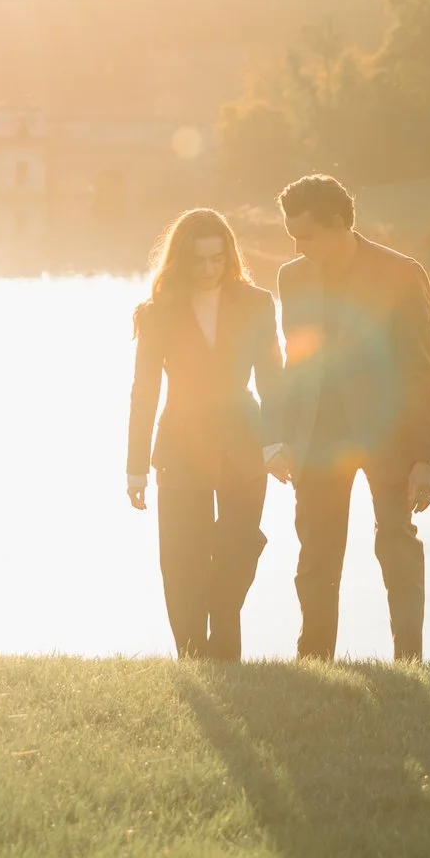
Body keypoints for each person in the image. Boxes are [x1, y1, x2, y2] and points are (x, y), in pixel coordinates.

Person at [268, 174, 430, 662]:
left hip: (391, 438)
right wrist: (280, 436)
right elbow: (294, 359)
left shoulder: (402, 273)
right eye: (292, 236)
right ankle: (315, 660)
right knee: (317, 554)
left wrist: (427, 456)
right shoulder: (293, 276)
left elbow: (420, 368)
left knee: (395, 547)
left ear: (340, 224)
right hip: (317, 439)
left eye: (306, 235)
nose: (298, 247)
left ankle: (409, 660)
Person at [126, 208, 284, 660]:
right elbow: (144, 393)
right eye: (200, 261)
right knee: (182, 561)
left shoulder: (256, 303)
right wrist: (136, 469)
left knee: (238, 546)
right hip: (179, 445)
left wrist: (275, 442)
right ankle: (195, 656)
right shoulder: (157, 314)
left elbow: (272, 378)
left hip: (245, 442)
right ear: (182, 260)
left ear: (229, 255)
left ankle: (223, 640)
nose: (210, 269)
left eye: (218, 258)